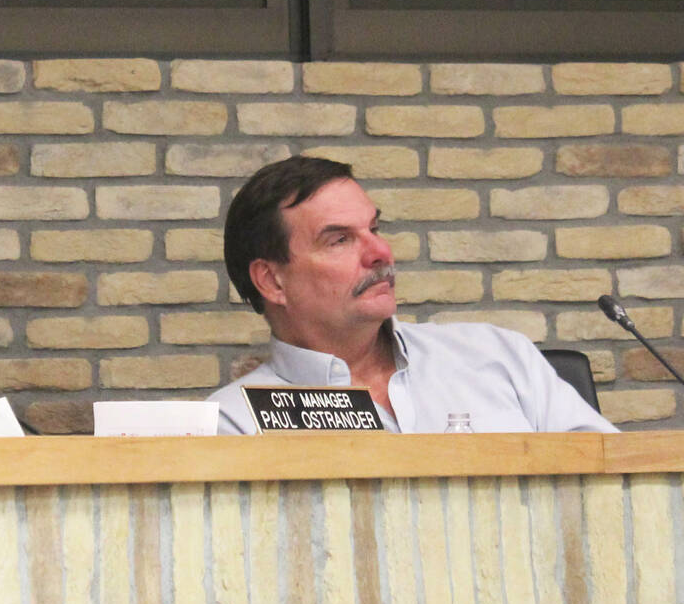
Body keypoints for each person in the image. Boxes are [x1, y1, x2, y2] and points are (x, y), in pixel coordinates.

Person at [208, 155, 614, 435]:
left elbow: (611, 483)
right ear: (272, 281)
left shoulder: (498, 356)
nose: (381, 253)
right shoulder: (235, 423)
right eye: (340, 240)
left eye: (375, 229)